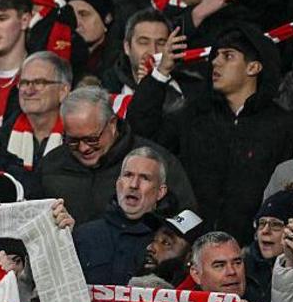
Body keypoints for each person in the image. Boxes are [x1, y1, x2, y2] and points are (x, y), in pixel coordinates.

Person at [131, 23, 293, 245]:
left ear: (253, 67)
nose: (215, 62)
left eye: (228, 56)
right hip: (190, 247)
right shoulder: (193, 116)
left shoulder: (284, 127)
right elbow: (143, 134)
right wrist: (160, 74)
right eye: (215, 56)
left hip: (251, 250)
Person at [36, 86, 196, 224]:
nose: (83, 148)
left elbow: (189, 219)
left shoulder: (155, 162)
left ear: (112, 124)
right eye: (73, 140)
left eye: (91, 139)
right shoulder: (51, 165)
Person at [73, 147, 170, 285]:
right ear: (118, 183)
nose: (134, 185)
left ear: (160, 192)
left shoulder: (168, 242)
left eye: (145, 178)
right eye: (128, 175)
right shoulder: (84, 235)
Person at [0, 51, 71, 177]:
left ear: (63, 91)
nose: (29, 90)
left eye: (39, 82)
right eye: (24, 83)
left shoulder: (76, 140)